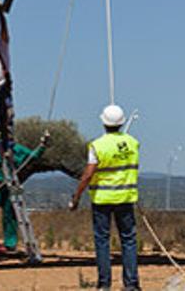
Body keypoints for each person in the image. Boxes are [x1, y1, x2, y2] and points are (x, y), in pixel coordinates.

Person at [70, 105, 140, 291]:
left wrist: (76, 196)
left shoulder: (97, 145)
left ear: (103, 122)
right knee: (129, 241)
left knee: (102, 241)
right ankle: (131, 284)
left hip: (102, 199)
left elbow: (87, 174)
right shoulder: (133, 143)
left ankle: (104, 284)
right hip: (125, 198)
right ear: (122, 122)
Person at [0, 133, 49, 254]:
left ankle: (10, 243)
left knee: (10, 214)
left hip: (12, 184)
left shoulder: (18, 149)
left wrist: (42, 145)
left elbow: (32, 156)